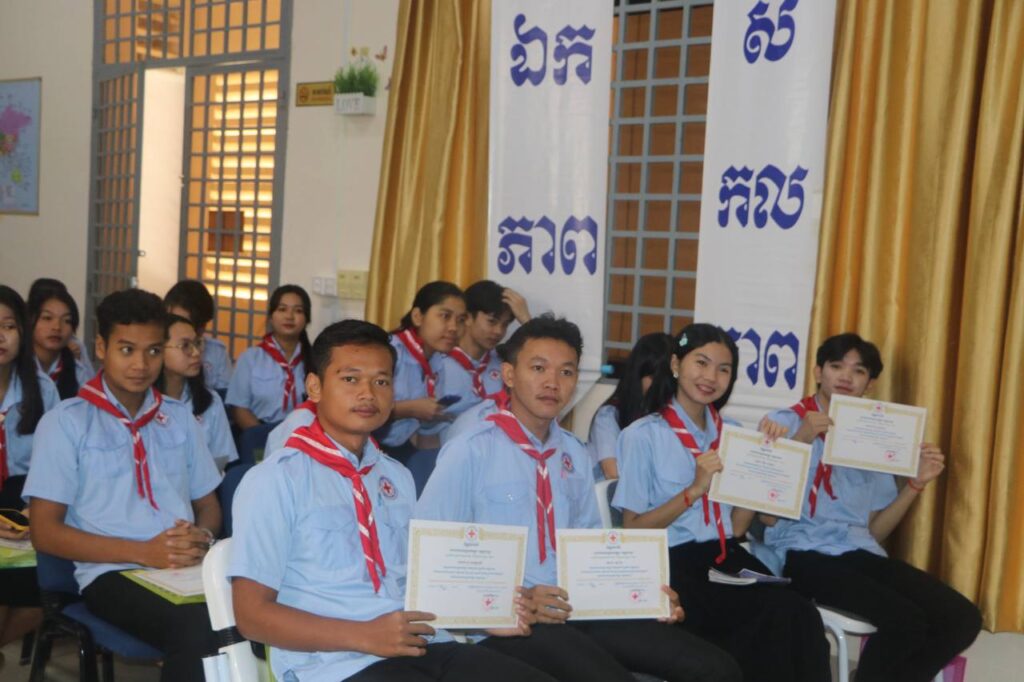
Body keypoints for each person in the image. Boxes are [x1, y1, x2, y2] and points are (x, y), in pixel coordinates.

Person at [416, 315, 742, 682]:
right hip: (512, 620)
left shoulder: (574, 453)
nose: (552, 382)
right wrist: (513, 598)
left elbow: (591, 546)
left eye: (566, 372)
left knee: (716, 668)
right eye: (538, 368)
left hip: (580, 606)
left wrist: (642, 591)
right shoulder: (470, 450)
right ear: (508, 374)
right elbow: (431, 556)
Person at [228, 319, 557, 682]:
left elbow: (420, 580)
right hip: (335, 663)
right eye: (350, 379)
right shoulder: (275, 480)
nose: (368, 393)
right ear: (315, 386)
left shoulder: (396, 476)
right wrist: (365, 636)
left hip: (423, 644)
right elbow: (251, 616)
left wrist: (482, 612)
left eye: (381, 381)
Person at [757, 333, 981, 682]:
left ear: (870, 383)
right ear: (818, 372)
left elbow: (875, 530)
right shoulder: (782, 422)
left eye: (858, 371)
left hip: (857, 551)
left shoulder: (876, 435)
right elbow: (766, 516)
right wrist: (801, 440)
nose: (846, 377)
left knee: (962, 618)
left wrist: (915, 484)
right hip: (801, 552)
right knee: (904, 621)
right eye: (836, 366)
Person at [613, 322, 830, 682]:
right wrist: (693, 490)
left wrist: (766, 463)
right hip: (671, 563)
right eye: (701, 363)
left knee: (801, 613)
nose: (711, 377)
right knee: (769, 619)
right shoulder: (642, 435)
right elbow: (632, 529)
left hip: (724, 554)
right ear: (676, 364)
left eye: (724, 369)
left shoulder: (734, 433)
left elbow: (740, 525)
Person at [24, 288, 222, 681]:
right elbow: (44, 532)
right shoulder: (66, 423)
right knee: (199, 629)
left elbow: (209, 505)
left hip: (184, 567)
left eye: (153, 351)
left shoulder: (180, 418)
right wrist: (145, 552)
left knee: (254, 614)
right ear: (101, 347)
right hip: (112, 573)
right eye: (127, 350)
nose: (141, 365)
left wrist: (200, 537)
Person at [0, 285, 58, 652]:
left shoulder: (42, 390)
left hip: (25, 505)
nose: (0, 336)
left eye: (8, 326)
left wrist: (34, 509)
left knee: (49, 588)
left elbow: (55, 464)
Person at [435, 281, 529, 423]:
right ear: (467, 318)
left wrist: (527, 322)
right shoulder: (436, 362)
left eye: (504, 325)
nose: (499, 331)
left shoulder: (505, 363)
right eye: (492, 321)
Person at [157, 314, 238, 470]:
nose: (196, 352)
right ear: (158, 350)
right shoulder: (142, 402)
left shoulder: (211, 400)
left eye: (197, 343)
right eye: (185, 345)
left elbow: (221, 458)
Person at [587, 332, 673, 480]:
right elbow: (612, 472)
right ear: (637, 375)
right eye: (653, 377)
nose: (659, 386)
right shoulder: (609, 415)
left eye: (666, 379)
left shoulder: (669, 415)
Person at [226, 284, 312, 429]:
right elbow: (239, 408)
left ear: (307, 320)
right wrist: (266, 437)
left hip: (301, 435)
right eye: (282, 309)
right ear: (271, 317)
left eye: (298, 311)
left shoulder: (315, 360)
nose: (289, 316)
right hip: (259, 432)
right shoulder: (250, 358)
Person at [27, 280, 93, 398]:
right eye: (47, 318)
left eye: (67, 320)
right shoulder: (13, 365)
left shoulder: (78, 371)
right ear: (30, 320)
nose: (57, 327)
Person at [164, 279, 233, 392]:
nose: (196, 353)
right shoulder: (154, 349)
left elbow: (223, 395)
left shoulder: (216, 352)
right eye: (174, 319)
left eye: (188, 323)